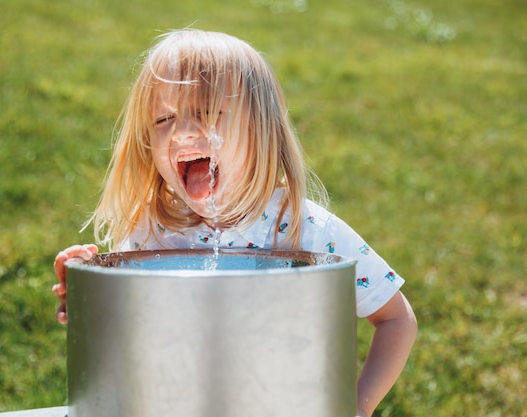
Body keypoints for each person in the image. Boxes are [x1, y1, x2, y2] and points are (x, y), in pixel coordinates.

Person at [52, 29, 417, 417]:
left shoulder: (305, 230)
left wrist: (357, 407)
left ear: (260, 128)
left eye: (208, 114)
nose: (184, 131)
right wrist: (90, 298)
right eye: (164, 118)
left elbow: (396, 319)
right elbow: (129, 331)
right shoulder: (151, 230)